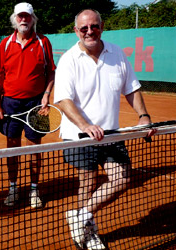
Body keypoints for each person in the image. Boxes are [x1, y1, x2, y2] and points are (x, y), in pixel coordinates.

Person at [53, 9, 156, 250]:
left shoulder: (117, 53)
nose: (90, 31)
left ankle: (80, 216)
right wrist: (85, 125)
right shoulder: (69, 59)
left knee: (122, 178)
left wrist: (143, 115)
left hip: (111, 134)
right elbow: (64, 100)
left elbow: (131, 88)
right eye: (84, 28)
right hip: (78, 134)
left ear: (102, 26)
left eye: (94, 26)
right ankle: (87, 232)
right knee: (87, 182)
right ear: (76, 31)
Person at [0, 2, 56, 208]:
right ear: (14, 19)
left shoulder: (43, 42)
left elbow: (51, 72)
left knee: (34, 147)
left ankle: (34, 190)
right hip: (10, 104)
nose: (23, 20)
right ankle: (13, 189)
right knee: (12, 148)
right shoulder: (5, 44)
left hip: (36, 102)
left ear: (33, 19)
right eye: (20, 16)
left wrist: (46, 95)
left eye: (27, 16)